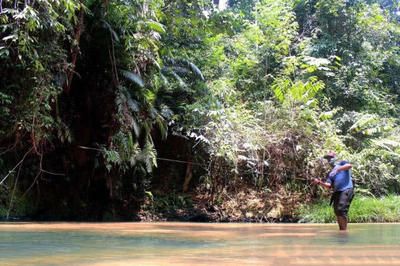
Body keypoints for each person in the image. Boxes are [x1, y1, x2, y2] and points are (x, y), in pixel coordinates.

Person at [313, 151, 354, 230]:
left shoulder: (342, 163)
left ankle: (344, 231)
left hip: (347, 188)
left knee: (341, 209)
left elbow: (349, 166)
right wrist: (319, 182)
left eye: (331, 158)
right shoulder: (331, 173)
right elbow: (328, 185)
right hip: (337, 192)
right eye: (328, 158)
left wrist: (339, 169)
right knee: (337, 211)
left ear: (335, 158)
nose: (329, 160)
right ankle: (342, 231)